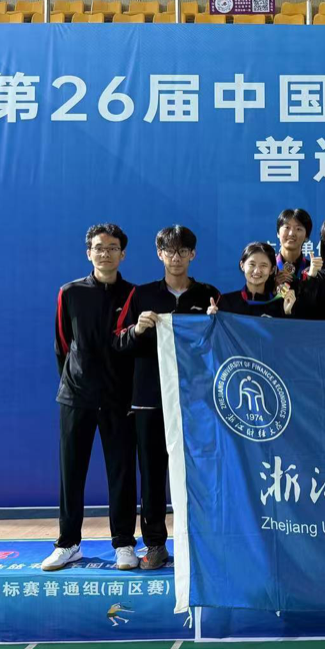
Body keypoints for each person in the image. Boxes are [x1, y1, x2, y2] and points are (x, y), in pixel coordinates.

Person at [111, 225, 219, 570]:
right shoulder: (142, 295)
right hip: (150, 400)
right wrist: (138, 329)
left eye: (183, 251)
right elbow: (119, 342)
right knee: (153, 474)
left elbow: (222, 348)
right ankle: (155, 544)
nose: (176, 257)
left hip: (197, 401)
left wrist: (217, 324)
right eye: (169, 251)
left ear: (193, 254)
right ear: (159, 254)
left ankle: (204, 544)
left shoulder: (208, 295)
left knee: (201, 473)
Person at [43, 224, 138, 573]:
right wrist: (75, 382)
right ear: (89, 253)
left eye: (112, 248)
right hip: (77, 398)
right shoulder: (70, 293)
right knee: (71, 473)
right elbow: (63, 344)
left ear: (122, 254)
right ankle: (68, 544)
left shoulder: (133, 295)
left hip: (118, 399)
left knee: (122, 472)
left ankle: (124, 543)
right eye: (99, 247)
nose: (105, 253)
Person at [213, 242, 298, 317]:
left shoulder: (280, 304)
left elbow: (287, 329)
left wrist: (287, 312)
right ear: (242, 265)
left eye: (263, 265)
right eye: (252, 264)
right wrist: (211, 318)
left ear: (272, 270)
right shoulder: (226, 302)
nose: (257, 271)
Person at [274, 208, 321, 290]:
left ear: (306, 236)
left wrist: (310, 278)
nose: (291, 233)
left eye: (298, 229)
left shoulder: (312, 269)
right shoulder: (269, 267)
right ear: (278, 233)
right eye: (287, 227)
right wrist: (272, 287)